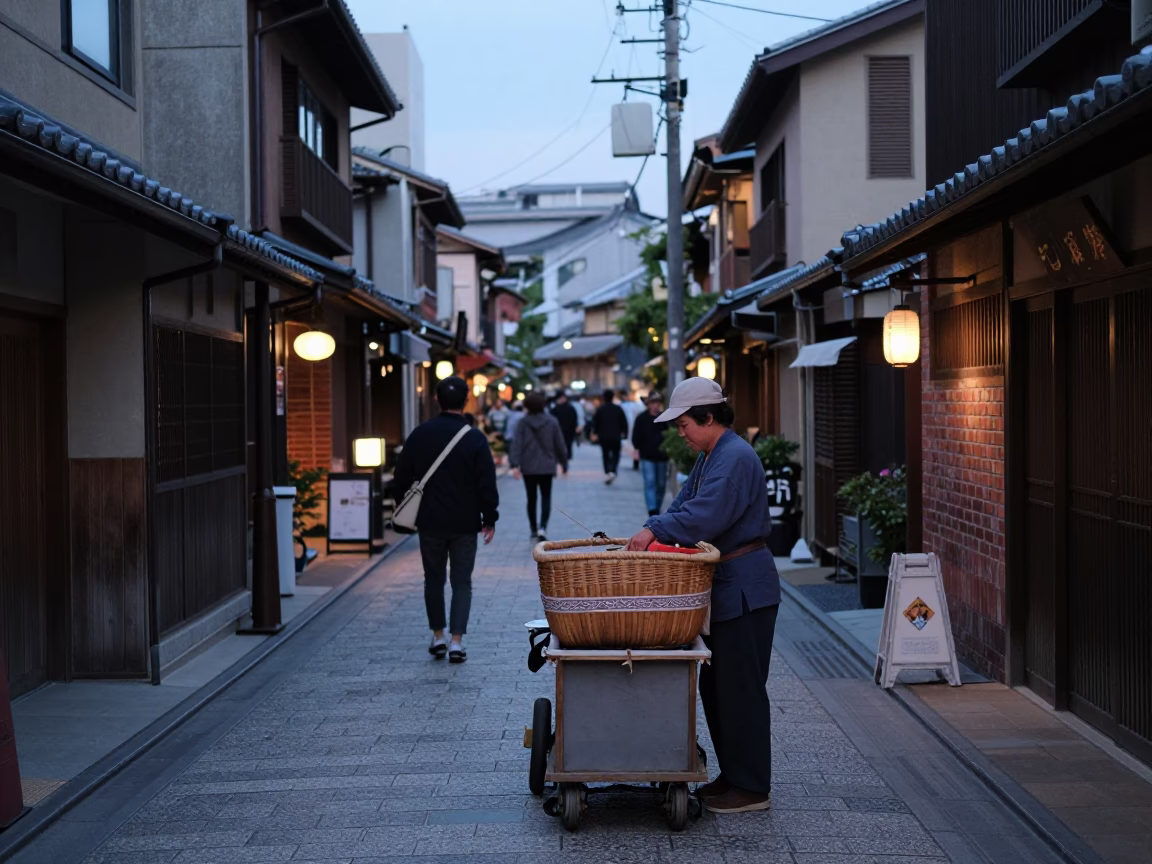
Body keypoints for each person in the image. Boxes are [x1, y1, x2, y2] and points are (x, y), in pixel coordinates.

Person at [625, 377, 779, 814]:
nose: (681, 432)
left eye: (685, 424)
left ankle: (752, 787)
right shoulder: (713, 455)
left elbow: (703, 516)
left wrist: (655, 529)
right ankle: (733, 776)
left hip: (745, 586)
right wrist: (655, 526)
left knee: (741, 689)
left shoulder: (733, 457)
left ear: (709, 417)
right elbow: (682, 507)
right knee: (719, 687)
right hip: (730, 585)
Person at [394, 376, 499, 664]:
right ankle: (456, 641)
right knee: (462, 581)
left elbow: (401, 477)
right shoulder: (474, 437)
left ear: (436, 399)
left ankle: (437, 635)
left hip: (429, 521)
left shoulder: (420, 434)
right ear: (466, 401)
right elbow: (486, 483)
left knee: (433, 579)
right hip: (465, 522)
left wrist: (405, 510)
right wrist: (489, 517)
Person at [510, 392, 569, 540]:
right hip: (547, 465)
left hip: (528, 465)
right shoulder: (552, 421)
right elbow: (560, 444)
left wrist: (515, 463)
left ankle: (533, 528)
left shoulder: (523, 423)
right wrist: (564, 462)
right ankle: (543, 527)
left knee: (531, 498)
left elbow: (516, 444)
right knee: (546, 497)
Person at [631, 391, 670, 516]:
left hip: (662, 455)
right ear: (648, 404)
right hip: (647, 455)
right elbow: (636, 435)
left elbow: (670, 435)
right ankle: (652, 509)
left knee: (661, 483)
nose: (656, 405)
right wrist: (636, 449)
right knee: (650, 481)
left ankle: (657, 506)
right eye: (653, 403)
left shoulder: (665, 418)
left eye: (658, 403)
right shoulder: (641, 418)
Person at [591, 389, 629, 484]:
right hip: (616, 436)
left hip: (604, 436)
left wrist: (595, 433)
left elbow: (596, 423)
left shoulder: (600, 409)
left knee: (605, 454)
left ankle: (608, 470)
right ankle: (613, 469)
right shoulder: (618, 409)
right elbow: (624, 422)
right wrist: (625, 433)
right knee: (616, 454)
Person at [550, 391, 579, 460]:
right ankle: (565, 461)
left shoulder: (555, 409)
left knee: (560, 446)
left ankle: (563, 460)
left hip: (560, 431)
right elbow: (574, 420)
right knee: (567, 446)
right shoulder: (571, 408)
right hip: (568, 431)